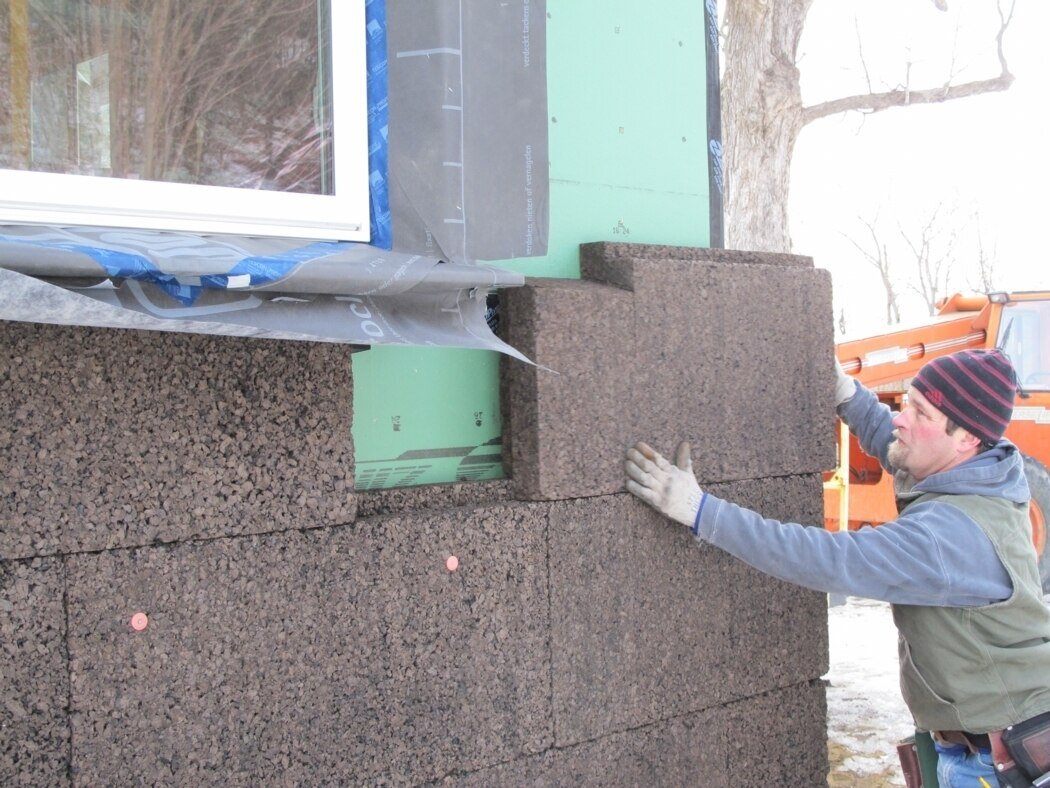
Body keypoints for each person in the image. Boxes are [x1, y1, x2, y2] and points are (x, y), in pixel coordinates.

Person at [624, 348, 1050, 788]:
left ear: (965, 439)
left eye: (919, 411)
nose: (900, 418)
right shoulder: (982, 470)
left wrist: (699, 510)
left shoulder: (952, 536)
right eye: (907, 402)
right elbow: (896, 444)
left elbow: (825, 559)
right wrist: (845, 392)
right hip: (981, 743)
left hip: (999, 762)